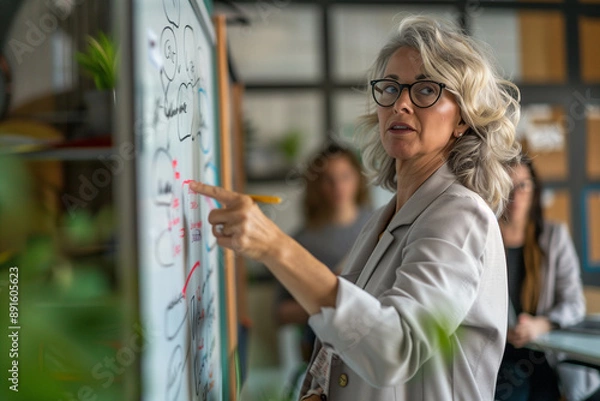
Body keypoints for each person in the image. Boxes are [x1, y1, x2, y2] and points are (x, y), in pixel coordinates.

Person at [191, 15, 520, 400]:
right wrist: (318, 389)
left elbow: (396, 349)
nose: (400, 104)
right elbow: (350, 335)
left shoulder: (460, 214)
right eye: (391, 88)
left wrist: (275, 248)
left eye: (426, 90)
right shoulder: (386, 217)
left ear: (462, 118)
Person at [495, 155, 600, 401]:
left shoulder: (553, 236)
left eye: (523, 185)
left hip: (544, 353)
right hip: (499, 354)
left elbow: (574, 303)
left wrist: (540, 325)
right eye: (507, 187)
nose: (515, 194)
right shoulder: (483, 238)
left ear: (534, 190)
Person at [274, 143, 372, 363]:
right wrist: (327, 297)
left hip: (373, 343)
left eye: (345, 176)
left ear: (358, 178)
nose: (338, 186)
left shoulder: (381, 225)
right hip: (322, 352)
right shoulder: (301, 241)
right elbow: (281, 312)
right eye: (328, 179)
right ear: (316, 185)